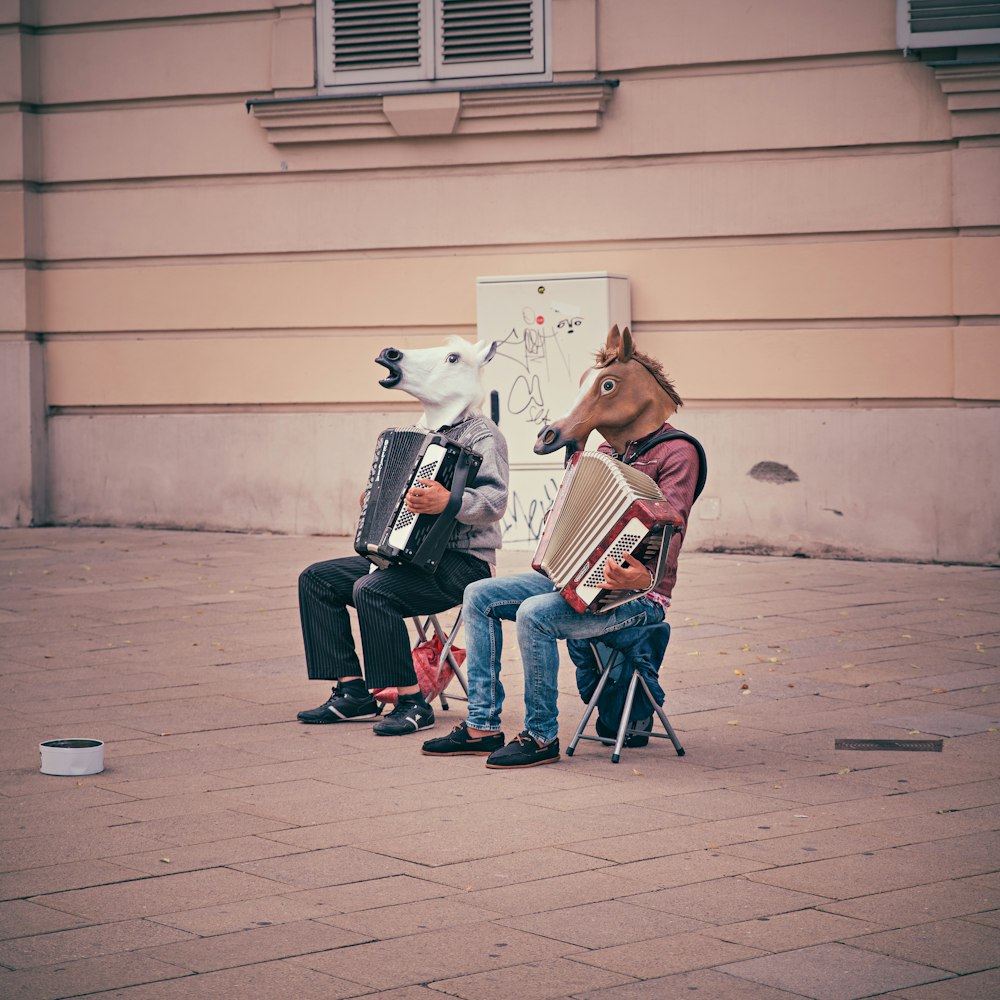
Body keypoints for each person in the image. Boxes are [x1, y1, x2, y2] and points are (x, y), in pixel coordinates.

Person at [422, 328, 702, 766]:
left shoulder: (678, 452)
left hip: (640, 594)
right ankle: (482, 724)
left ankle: (540, 736)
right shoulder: (605, 452)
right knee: (478, 595)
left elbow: (671, 526)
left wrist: (641, 577)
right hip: (574, 579)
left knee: (535, 615)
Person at [296, 339, 508, 736]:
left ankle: (412, 702)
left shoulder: (484, 435)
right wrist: (375, 499)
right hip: (408, 557)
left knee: (373, 590)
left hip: (463, 564)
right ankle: (351, 691)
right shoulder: (418, 431)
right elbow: (392, 490)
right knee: (317, 579)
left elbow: (494, 502)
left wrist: (450, 502)